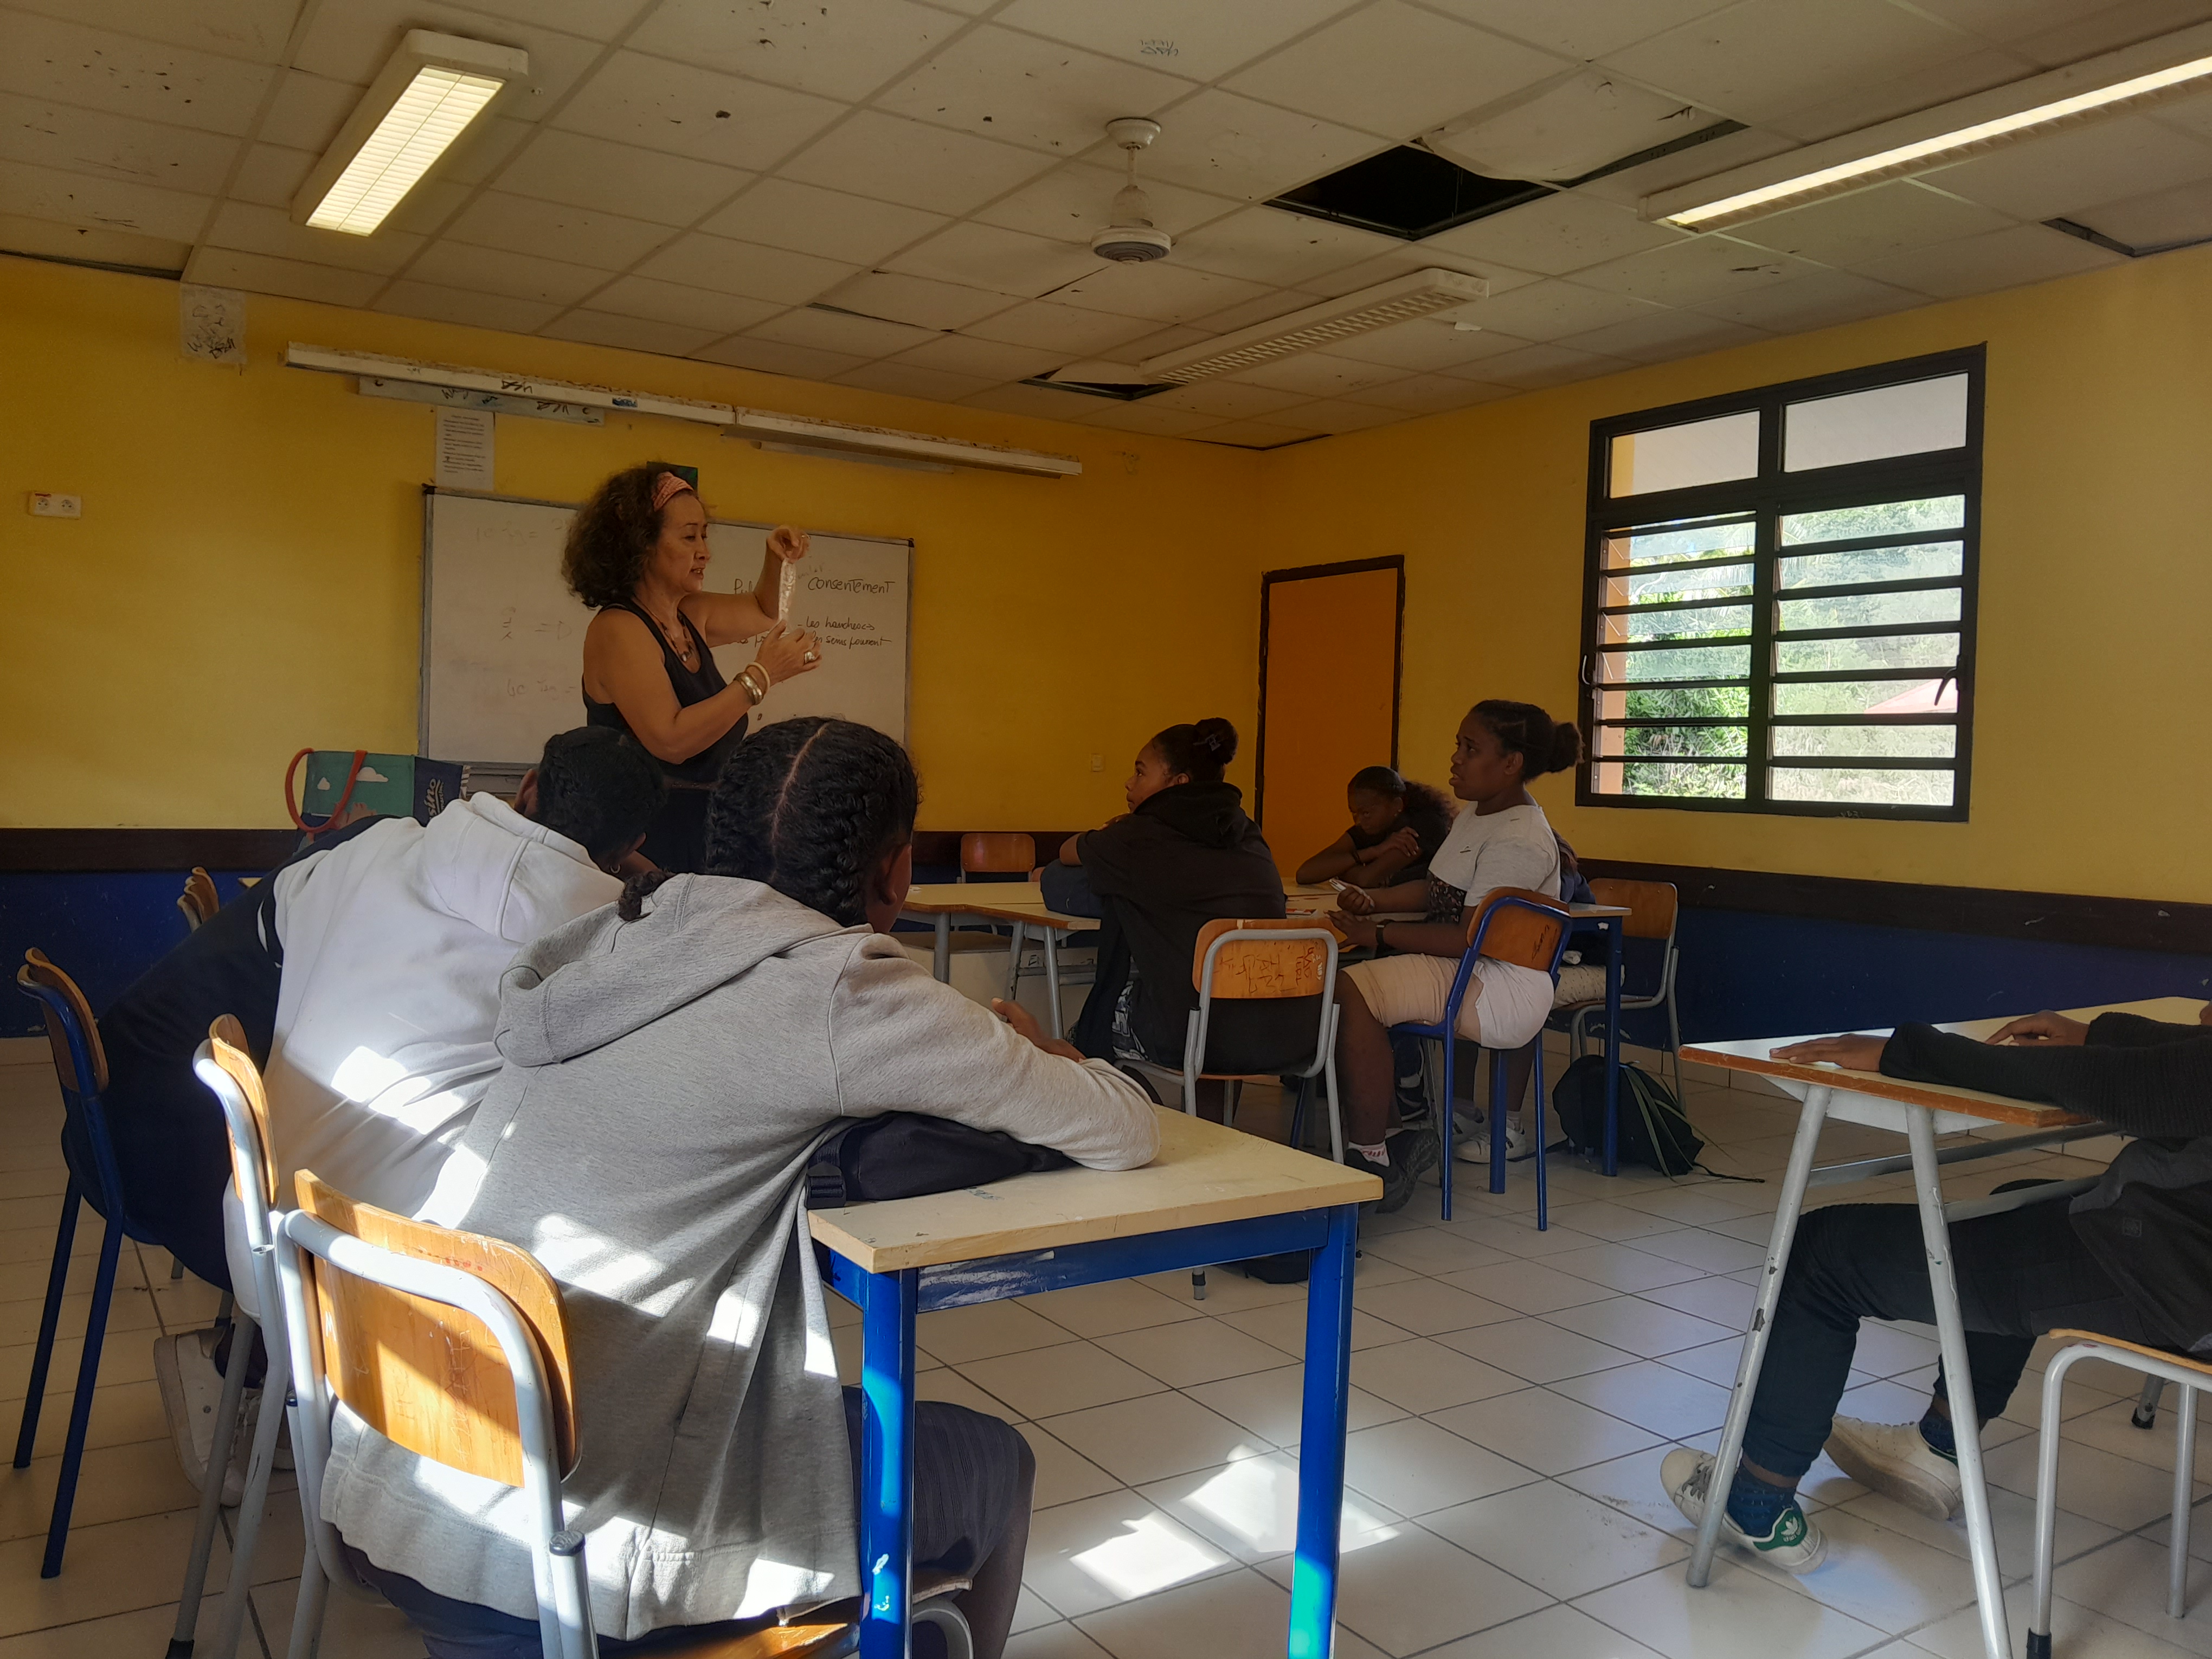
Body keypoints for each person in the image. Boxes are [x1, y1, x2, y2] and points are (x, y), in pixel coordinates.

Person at [320, 718, 1160, 1659]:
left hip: (405, 1497)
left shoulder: (603, 943)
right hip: (593, 1559)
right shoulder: (843, 986)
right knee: (999, 1462)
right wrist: (1052, 1056)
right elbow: (1122, 1128)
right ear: (894, 874)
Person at [1657, 1003, 2212, 1575]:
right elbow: (2184, 1068)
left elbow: (2118, 1083)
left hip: (2171, 1278)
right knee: (2017, 1201)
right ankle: (1941, 1445)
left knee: (1822, 1253)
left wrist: (1903, 1053)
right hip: (2188, 1270)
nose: (2201, 1007)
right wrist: (2101, 1034)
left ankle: (1755, 1502)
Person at [1327, 700, 1581, 1211]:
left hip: (1502, 988)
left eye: (1471, 748)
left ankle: (1372, 1157)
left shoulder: (1520, 838)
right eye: (1458, 745)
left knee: (1351, 989)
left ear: (1510, 764)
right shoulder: (1477, 814)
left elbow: (1471, 936)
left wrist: (1380, 934)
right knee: (1347, 981)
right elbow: (1437, 889)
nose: (1456, 758)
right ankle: (1392, 1139)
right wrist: (1374, 901)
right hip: (1470, 970)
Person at [569, 463, 822, 871]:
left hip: (703, 831)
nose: (705, 551)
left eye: (705, 535)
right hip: (645, 842)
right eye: (689, 537)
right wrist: (762, 676)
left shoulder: (689, 613)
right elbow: (671, 741)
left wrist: (776, 559)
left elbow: (765, 611)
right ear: (641, 545)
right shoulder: (619, 628)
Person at [1060, 719, 1294, 1079]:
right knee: (1210, 996)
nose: (1129, 782)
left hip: (1190, 1034)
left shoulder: (1139, 835)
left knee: (1078, 1041)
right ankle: (1203, 1117)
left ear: (1179, 783)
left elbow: (1065, 856)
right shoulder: (1247, 832)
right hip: (1280, 1029)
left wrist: (1109, 834)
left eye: (1141, 772)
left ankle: (1136, 1114)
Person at [1295, 766, 1455, 888]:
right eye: (1354, 813)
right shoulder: (1370, 827)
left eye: (1366, 813)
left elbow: (1365, 879)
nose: (1358, 821)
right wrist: (1375, 851)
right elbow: (1305, 874)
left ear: (1397, 805)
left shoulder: (1422, 826)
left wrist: (1341, 871)